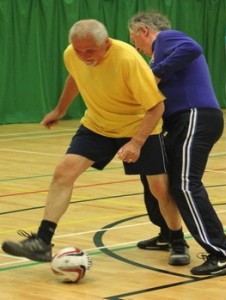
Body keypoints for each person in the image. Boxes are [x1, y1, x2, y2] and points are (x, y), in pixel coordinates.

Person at [1, 19, 190, 266]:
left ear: (106, 43)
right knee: (63, 173)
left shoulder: (127, 59)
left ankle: (177, 241)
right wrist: (59, 110)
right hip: (97, 125)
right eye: (78, 50)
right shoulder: (73, 54)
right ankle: (42, 242)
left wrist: (136, 142)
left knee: (159, 189)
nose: (83, 56)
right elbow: (75, 77)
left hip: (138, 125)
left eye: (90, 50)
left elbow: (156, 107)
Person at [128, 12, 226, 276]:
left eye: (135, 40)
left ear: (143, 31)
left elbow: (192, 47)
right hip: (178, 122)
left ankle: (223, 253)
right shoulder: (161, 52)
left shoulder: (166, 39)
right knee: (153, 172)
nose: (136, 48)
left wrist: (152, 73)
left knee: (186, 186)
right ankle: (168, 233)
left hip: (194, 116)